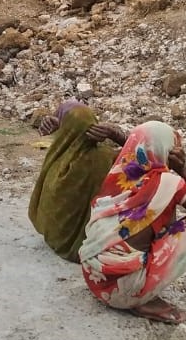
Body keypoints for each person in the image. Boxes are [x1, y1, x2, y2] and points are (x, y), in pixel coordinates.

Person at [79, 122, 186, 325]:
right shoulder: (168, 182)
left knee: (148, 221)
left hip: (97, 280)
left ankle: (138, 278)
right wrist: (183, 171)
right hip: (123, 292)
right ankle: (142, 297)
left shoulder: (120, 174)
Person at [29, 101, 121, 261]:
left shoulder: (57, 155)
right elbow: (141, 153)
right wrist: (115, 135)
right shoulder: (104, 158)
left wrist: (63, 125)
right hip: (83, 241)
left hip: (54, 236)